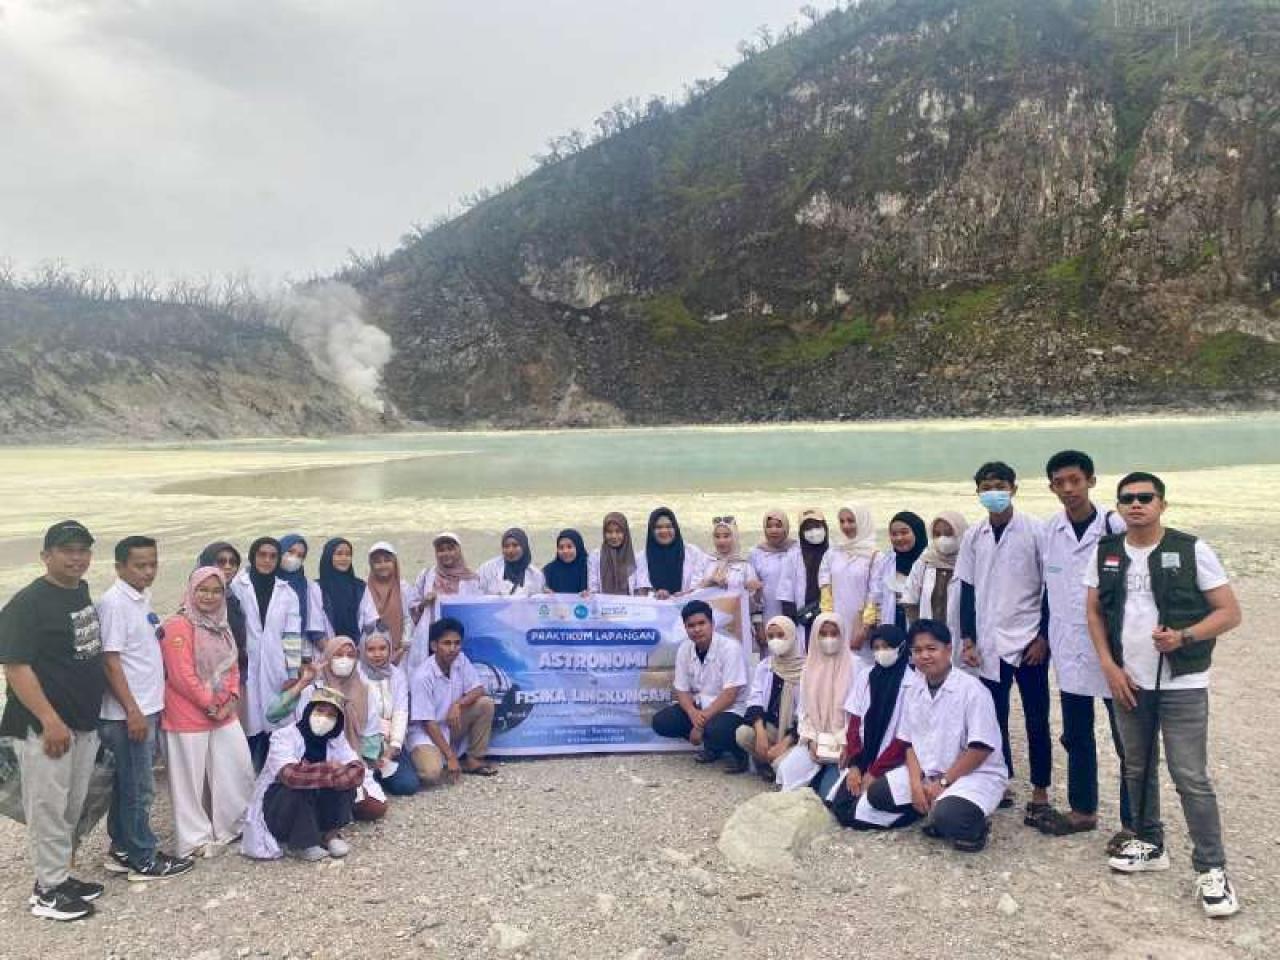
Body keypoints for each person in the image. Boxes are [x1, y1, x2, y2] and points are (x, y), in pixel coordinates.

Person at [1085, 471, 1242, 917]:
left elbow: (1229, 612)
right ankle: (1150, 842)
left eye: (1145, 497)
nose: (1136, 504)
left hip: (1182, 683)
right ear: (1118, 507)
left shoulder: (1191, 549)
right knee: (1137, 767)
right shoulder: (1106, 552)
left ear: (1162, 504)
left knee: (1190, 775)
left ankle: (1212, 869)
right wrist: (1109, 667)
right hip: (1129, 681)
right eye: (1127, 499)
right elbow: (1093, 612)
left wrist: (1184, 637)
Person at [0, 521, 107, 921]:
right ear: (46, 556)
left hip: (82, 721)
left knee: (70, 805)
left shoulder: (79, 591)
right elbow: (15, 666)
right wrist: (49, 720)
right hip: (44, 727)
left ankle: (59, 876)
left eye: (83, 550)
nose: (76, 558)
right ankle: (47, 892)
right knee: (47, 806)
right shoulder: (27, 604)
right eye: (67, 550)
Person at [1035, 450, 1131, 843]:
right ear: (1051, 487)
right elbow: (1047, 588)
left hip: (1114, 650)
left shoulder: (1114, 525)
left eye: (1075, 480)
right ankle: (1082, 810)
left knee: (1127, 739)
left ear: (1091, 481)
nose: (1068, 489)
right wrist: (1043, 636)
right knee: (1076, 733)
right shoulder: (1050, 531)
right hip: (1068, 646)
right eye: (1060, 483)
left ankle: (1134, 822)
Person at [956, 461, 1051, 818]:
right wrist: (968, 639)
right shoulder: (974, 535)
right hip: (988, 642)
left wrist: (1044, 636)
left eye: (999, 485)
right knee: (992, 717)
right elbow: (967, 589)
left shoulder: (1036, 531)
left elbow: (1051, 588)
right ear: (977, 493)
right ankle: (1001, 779)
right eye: (986, 487)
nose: (993, 492)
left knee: (1036, 717)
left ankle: (1041, 789)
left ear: (1013, 488)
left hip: (1029, 641)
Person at [97, 535, 194, 882]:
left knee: (128, 784)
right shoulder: (114, 604)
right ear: (119, 567)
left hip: (146, 706)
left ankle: (123, 848)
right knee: (140, 787)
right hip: (128, 713)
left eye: (153, 564)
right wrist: (132, 711)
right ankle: (144, 858)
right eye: (140, 565)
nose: (148, 571)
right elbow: (110, 660)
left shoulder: (140, 598)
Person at [160, 566, 255, 860]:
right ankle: (194, 839)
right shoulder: (178, 625)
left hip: (223, 712)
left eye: (216, 591)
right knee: (188, 781)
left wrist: (231, 699)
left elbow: (233, 665)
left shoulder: (221, 625)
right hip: (187, 714)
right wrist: (209, 703)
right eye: (203, 590)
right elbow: (181, 674)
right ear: (191, 590)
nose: (209, 597)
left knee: (236, 766)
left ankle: (233, 825)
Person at [898, 620, 1009, 852]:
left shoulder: (972, 690)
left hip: (974, 775)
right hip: (930, 773)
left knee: (951, 816)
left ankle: (974, 827)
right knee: (878, 796)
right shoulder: (913, 689)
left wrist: (943, 783)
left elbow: (980, 748)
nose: (924, 656)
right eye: (917, 650)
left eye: (931, 648)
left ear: (948, 650)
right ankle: (934, 810)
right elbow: (908, 743)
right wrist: (915, 784)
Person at [267, 637, 385, 822]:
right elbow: (273, 714)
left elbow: (370, 734)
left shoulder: (365, 691)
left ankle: (331, 809)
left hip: (347, 758)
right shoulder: (313, 689)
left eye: (350, 655)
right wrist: (302, 683)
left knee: (375, 808)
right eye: (338, 655)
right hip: (306, 760)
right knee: (302, 795)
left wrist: (366, 764)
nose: (345, 660)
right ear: (328, 657)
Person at [240, 688, 365, 862]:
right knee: (298, 788)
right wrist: (331, 770)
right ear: (308, 711)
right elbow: (290, 775)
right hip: (279, 807)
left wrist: (324, 774)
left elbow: (357, 770)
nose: (324, 718)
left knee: (346, 786)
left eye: (331, 715)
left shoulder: (336, 739)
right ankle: (302, 843)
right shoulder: (283, 736)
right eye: (320, 711)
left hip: (316, 804)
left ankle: (329, 835)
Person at [830, 624, 915, 829]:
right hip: (865, 757)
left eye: (887, 647)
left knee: (861, 813)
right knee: (840, 807)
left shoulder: (913, 682)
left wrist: (875, 772)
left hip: (896, 761)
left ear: (901, 647)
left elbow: (904, 738)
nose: (881, 652)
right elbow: (854, 721)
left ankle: (912, 812)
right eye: (876, 648)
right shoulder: (866, 676)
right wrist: (855, 766)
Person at [230, 537, 303, 772]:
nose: (267, 560)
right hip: (245, 664)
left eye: (273, 556)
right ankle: (247, 774)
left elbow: (292, 636)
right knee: (247, 721)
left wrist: (292, 672)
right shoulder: (237, 587)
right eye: (262, 555)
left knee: (276, 721)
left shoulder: (287, 592)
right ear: (253, 556)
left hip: (276, 666)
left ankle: (273, 772)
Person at [652, 599, 749, 771]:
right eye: (691, 625)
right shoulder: (685, 649)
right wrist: (692, 713)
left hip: (730, 709)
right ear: (685, 628)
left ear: (712, 624)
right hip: (700, 708)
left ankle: (738, 753)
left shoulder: (730, 648)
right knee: (662, 721)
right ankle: (712, 747)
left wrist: (699, 724)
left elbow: (730, 694)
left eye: (701, 623)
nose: (697, 629)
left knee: (716, 730)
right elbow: (681, 690)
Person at [407, 618, 499, 784]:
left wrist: (458, 704)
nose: (453, 649)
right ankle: (427, 758)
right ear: (434, 646)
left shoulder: (460, 659)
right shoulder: (423, 676)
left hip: (450, 724)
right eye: (447, 643)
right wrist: (450, 757)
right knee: (431, 773)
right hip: (425, 733)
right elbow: (428, 723)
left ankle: (473, 760)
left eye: (457, 643)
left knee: (485, 704)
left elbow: (478, 689)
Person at [777, 612, 856, 793]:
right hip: (816, 740)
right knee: (786, 771)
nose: (829, 639)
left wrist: (843, 743)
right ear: (815, 636)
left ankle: (823, 777)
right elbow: (803, 711)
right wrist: (811, 740)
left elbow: (858, 716)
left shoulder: (855, 666)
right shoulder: (809, 667)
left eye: (834, 634)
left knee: (828, 793)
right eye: (823, 634)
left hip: (844, 744)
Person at [734, 616, 804, 780]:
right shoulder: (765, 665)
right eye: (771, 636)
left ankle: (774, 763)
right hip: (772, 727)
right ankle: (766, 761)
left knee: (782, 766)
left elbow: (808, 715)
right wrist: (760, 733)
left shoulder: (806, 669)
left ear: (792, 636)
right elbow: (755, 699)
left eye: (780, 635)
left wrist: (785, 742)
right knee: (743, 734)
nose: (775, 641)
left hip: (798, 734)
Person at [818, 505, 888, 663]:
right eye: (842, 521)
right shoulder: (832, 553)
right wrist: (828, 621)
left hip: (861, 624)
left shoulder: (875, 556)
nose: (846, 526)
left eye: (851, 521)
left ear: (862, 521)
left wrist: (864, 629)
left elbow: (875, 593)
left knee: (861, 666)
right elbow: (825, 588)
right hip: (836, 621)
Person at [358, 624, 420, 797]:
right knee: (360, 787)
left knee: (407, 785)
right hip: (362, 743)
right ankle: (372, 773)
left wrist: (393, 747)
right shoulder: (356, 675)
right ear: (362, 650)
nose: (377, 654)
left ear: (390, 648)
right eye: (371, 649)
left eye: (382, 648)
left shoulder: (397, 675)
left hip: (389, 742)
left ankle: (379, 774)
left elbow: (401, 711)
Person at [902, 511, 968, 669]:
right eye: (937, 534)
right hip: (929, 639)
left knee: (961, 677)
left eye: (949, 533)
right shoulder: (925, 560)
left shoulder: (969, 561)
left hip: (962, 639)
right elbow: (910, 598)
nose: (943, 539)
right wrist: (918, 632)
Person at [410, 533, 482, 673]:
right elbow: (412, 608)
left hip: (459, 642)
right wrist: (424, 603)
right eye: (441, 550)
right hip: (430, 642)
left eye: (450, 548)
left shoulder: (472, 579)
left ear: (458, 550)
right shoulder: (426, 575)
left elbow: (477, 612)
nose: (446, 553)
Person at [358, 542, 420, 664]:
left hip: (400, 651)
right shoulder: (364, 588)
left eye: (387, 561)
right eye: (377, 562)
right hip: (370, 651)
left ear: (394, 563)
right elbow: (361, 620)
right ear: (371, 565)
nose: (383, 565)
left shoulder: (403, 587)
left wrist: (403, 646)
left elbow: (408, 618)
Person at [748, 509, 799, 649]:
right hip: (768, 619)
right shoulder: (756, 554)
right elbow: (753, 596)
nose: (774, 530)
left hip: (796, 617)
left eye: (778, 525)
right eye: (769, 526)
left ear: (786, 527)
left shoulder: (797, 550)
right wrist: (759, 627)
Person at [778, 508, 829, 643]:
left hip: (831, 614)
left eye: (817, 526)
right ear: (801, 532)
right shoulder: (793, 555)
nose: (814, 532)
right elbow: (786, 588)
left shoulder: (834, 552)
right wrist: (791, 616)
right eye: (808, 528)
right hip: (804, 617)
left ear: (825, 526)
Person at [277, 534, 330, 659]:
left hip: (296, 650)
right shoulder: (264, 582)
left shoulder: (307, 586)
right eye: (290, 551)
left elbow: (312, 626)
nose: (294, 558)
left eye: (300, 555)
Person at [196, 542, 246, 674]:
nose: (228, 566)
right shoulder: (196, 599)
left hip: (236, 671)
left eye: (233, 562)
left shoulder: (232, 595)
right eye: (221, 561)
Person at [636, 508, 706, 598]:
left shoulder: (693, 553)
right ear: (651, 531)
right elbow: (641, 590)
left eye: (669, 526)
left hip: (687, 604)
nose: (664, 531)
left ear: (675, 528)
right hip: (653, 605)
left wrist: (686, 593)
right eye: (658, 527)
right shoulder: (641, 557)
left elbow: (700, 583)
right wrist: (655, 595)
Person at [881, 511, 928, 629]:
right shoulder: (886, 562)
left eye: (904, 532)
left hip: (921, 627)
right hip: (891, 627)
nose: (899, 538)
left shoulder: (930, 562)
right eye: (894, 534)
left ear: (917, 532)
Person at [697, 516, 763, 598]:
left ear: (734, 537)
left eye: (726, 536)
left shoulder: (745, 566)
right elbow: (693, 592)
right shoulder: (705, 561)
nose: (721, 541)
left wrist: (750, 589)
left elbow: (754, 601)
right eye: (717, 536)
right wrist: (710, 582)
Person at [318, 538, 364, 648]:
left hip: (356, 649)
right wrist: (333, 651)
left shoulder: (360, 587)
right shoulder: (317, 588)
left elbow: (368, 620)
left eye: (348, 554)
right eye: (339, 554)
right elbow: (315, 627)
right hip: (326, 649)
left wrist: (354, 651)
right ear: (328, 556)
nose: (344, 558)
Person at [478, 528, 546, 596]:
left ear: (524, 546)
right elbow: (476, 593)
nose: (510, 550)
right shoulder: (488, 569)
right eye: (506, 546)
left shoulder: (535, 575)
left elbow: (538, 599)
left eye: (515, 545)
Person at [589, 512, 642, 595]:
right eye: (609, 532)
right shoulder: (595, 557)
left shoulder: (636, 558)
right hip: (603, 603)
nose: (614, 536)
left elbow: (639, 590)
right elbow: (593, 588)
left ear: (625, 533)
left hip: (629, 602)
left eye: (618, 531)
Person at [543, 529, 590, 595]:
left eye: (569, 547)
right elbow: (540, 590)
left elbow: (596, 591)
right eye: (561, 547)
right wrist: (544, 591)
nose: (565, 551)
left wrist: (589, 594)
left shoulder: (589, 569)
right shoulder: (549, 571)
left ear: (578, 547)